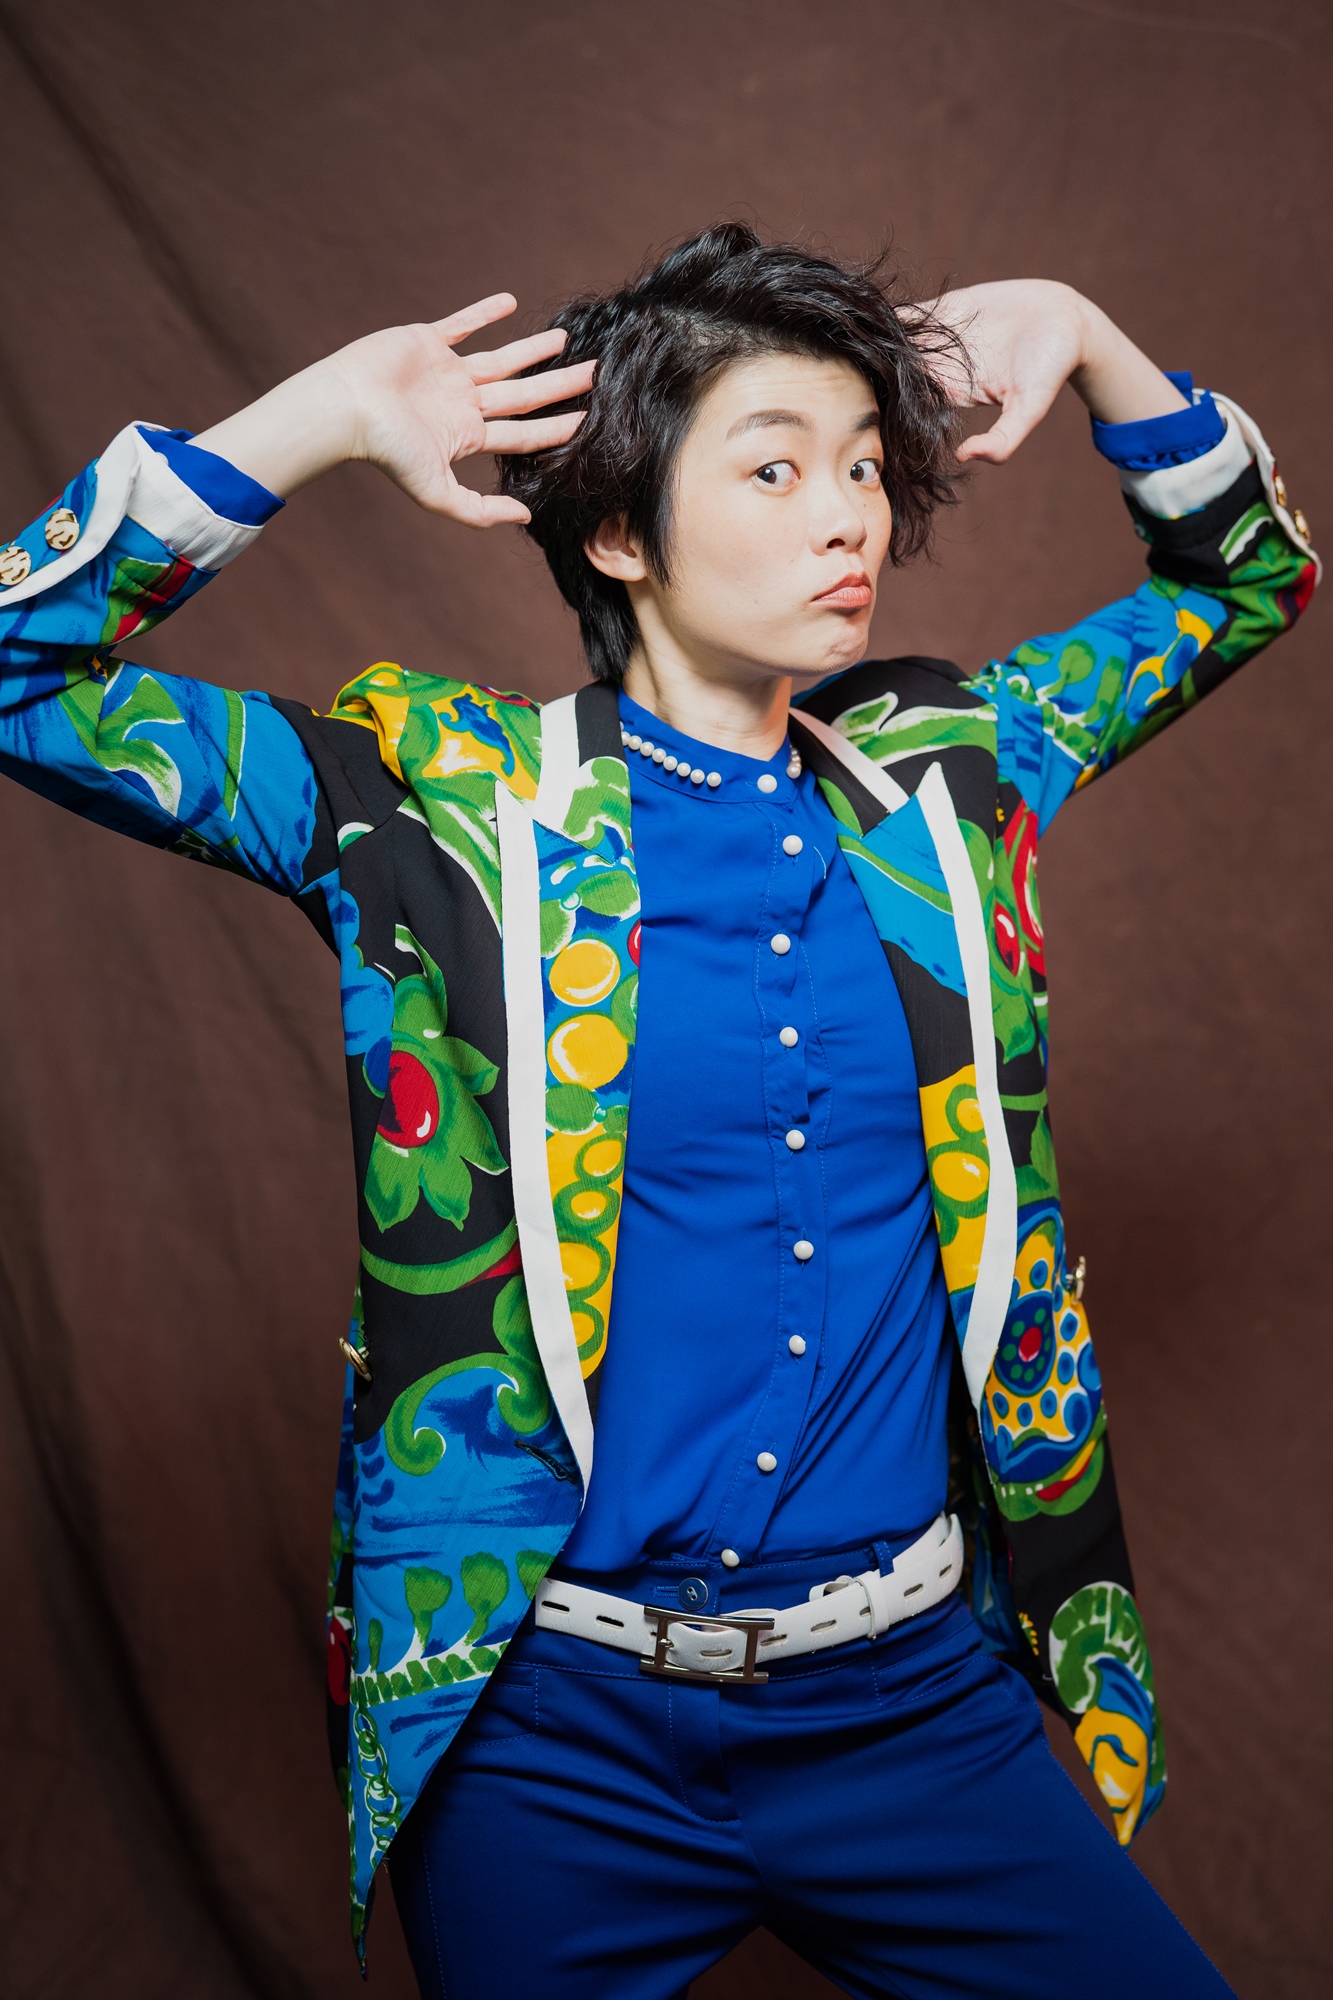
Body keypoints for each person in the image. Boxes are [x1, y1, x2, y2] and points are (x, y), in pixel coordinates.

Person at [0, 224, 1316, 2000]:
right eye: (775, 468)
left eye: (864, 466)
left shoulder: (954, 770)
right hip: (552, 1741)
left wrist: (1091, 335)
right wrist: (319, 417)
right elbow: (16, 668)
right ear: (619, 530)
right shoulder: (433, 808)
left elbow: (1245, 581)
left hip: (913, 1707)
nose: (848, 517)